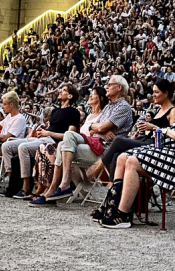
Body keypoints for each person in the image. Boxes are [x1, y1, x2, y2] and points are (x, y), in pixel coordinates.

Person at [93, 87, 175, 228]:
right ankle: (111, 207)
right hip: (168, 152)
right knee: (122, 157)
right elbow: (168, 135)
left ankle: (123, 214)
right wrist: (159, 131)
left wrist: (162, 130)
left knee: (132, 161)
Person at [29, 75, 133, 206]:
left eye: (109, 84)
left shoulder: (123, 107)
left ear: (119, 87)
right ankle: (61, 185)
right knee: (68, 135)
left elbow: (100, 127)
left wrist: (100, 128)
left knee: (61, 146)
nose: (106, 86)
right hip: (94, 142)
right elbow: (92, 128)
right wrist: (98, 128)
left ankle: (55, 189)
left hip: (106, 150)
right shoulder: (109, 107)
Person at [86, 78, 175, 180]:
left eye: (156, 92)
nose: (153, 95)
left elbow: (174, 137)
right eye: (153, 92)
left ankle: (96, 169)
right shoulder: (159, 111)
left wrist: (153, 127)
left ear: (165, 93)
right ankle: (113, 187)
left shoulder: (173, 111)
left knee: (118, 141)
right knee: (117, 154)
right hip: (144, 141)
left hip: (156, 146)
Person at [2, 83, 80, 199]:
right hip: (44, 137)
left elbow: (69, 136)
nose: (59, 91)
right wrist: (43, 131)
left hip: (53, 142)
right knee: (6, 146)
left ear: (70, 96)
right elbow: (52, 129)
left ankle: (26, 187)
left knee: (23, 147)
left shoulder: (74, 113)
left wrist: (48, 133)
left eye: (63, 90)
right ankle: (11, 181)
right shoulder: (54, 111)